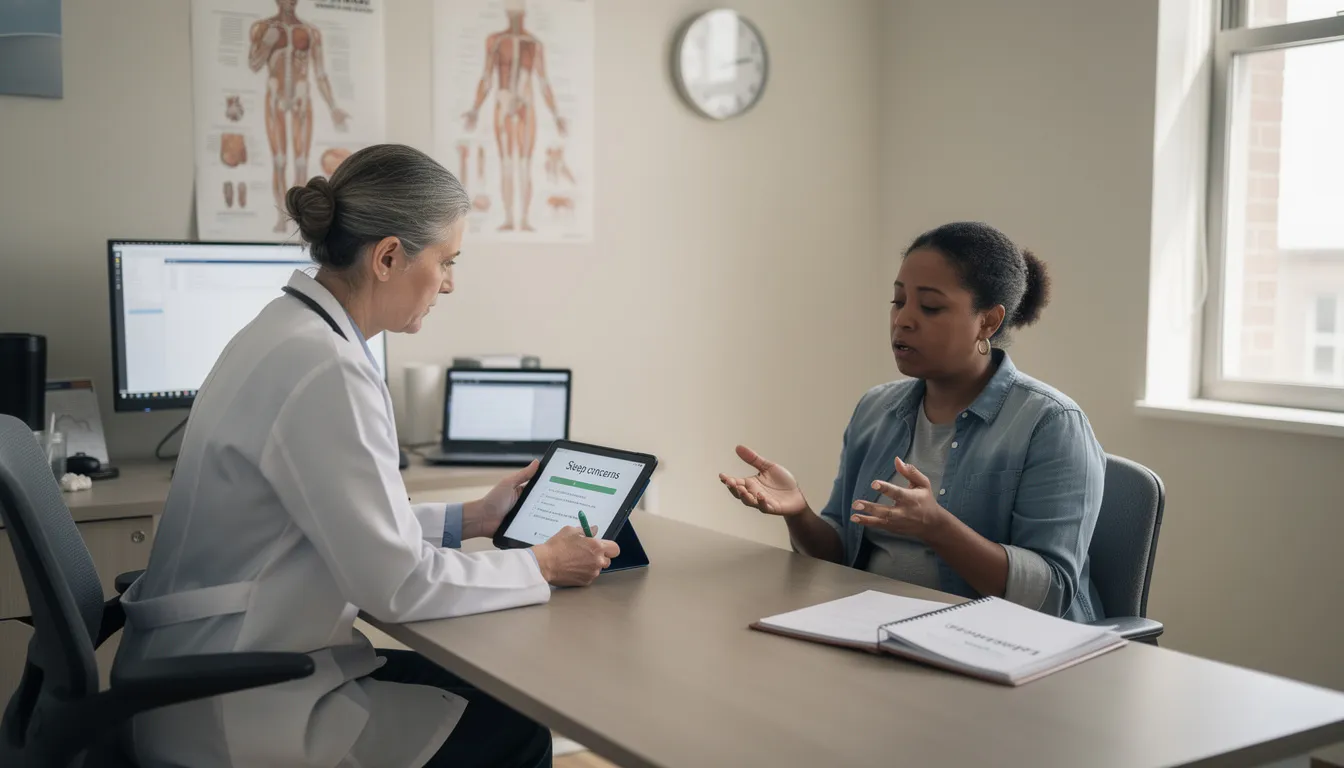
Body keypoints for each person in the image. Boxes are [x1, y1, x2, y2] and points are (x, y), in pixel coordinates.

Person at [114, 144, 617, 768]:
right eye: (447, 260)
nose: (451, 282)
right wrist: (541, 564)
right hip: (234, 697)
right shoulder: (329, 367)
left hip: (205, 663)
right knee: (519, 730)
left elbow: (341, 523)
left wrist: (477, 518)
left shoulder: (283, 329)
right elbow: (399, 585)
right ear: (387, 257)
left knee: (495, 695)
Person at [719, 222, 1105, 622]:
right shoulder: (876, 409)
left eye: (931, 307)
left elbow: (1051, 593)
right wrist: (798, 512)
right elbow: (839, 555)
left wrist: (938, 528)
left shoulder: (1051, 424)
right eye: (898, 301)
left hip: (994, 646)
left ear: (988, 322)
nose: (903, 320)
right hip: (876, 629)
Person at [462, 0, 568, 232]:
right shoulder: (496, 41)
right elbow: (487, 78)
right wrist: (475, 110)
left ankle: (525, 219)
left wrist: (557, 115)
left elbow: (543, 81)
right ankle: (510, 218)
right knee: (507, 163)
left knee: (525, 163)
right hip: (503, 102)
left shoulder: (534, 44)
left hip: (526, 105)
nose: (516, 15)